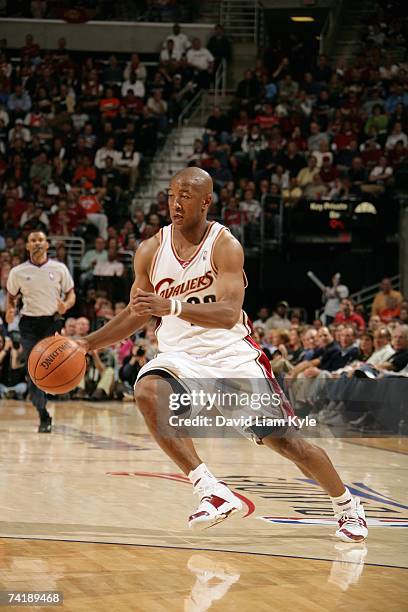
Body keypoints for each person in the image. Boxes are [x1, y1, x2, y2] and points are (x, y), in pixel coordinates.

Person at [76, 167, 368, 543]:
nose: (175, 202)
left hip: (232, 356)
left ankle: (346, 505)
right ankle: (210, 489)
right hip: (181, 356)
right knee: (147, 390)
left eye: (185, 195)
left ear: (206, 201)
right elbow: (138, 311)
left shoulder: (224, 245)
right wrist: (87, 344)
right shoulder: (151, 249)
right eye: (171, 194)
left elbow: (229, 313)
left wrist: (171, 306)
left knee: (289, 443)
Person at [6, 231, 75, 432]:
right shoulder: (17, 272)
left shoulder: (59, 268)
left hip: (51, 323)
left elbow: (71, 294)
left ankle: (56, 393)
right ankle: (43, 414)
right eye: (33, 241)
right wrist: (10, 310)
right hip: (28, 325)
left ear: (47, 244)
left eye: (40, 240)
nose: (37, 243)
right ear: (27, 246)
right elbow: (11, 296)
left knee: (54, 367)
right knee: (33, 371)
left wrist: (66, 306)